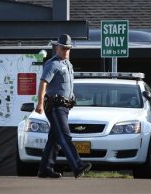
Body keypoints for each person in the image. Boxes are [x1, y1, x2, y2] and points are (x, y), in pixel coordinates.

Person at [35, 34, 92, 178]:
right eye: (63, 48)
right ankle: (78, 166)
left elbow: (66, 85)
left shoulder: (68, 64)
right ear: (57, 48)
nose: (66, 51)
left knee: (54, 139)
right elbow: (43, 83)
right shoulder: (52, 64)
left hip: (64, 107)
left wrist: (71, 96)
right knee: (65, 137)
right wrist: (40, 103)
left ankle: (45, 169)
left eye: (68, 48)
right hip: (54, 106)